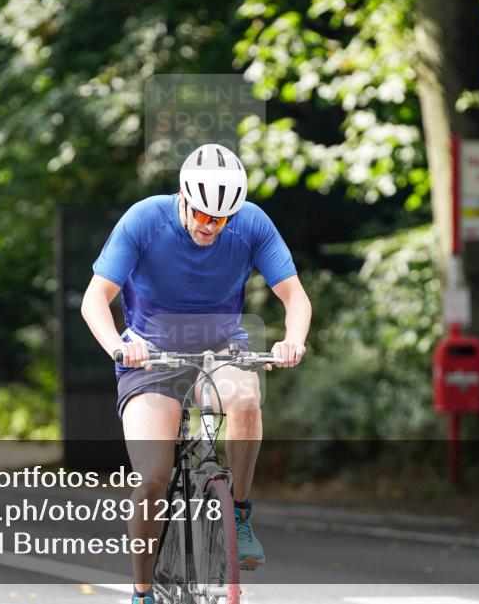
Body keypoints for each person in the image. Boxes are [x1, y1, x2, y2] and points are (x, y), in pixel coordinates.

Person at [80, 143, 312, 604]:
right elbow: (94, 300)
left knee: (246, 401)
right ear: (183, 196)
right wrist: (120, 346)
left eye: (221, 218)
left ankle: (240, 516)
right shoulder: (145, 220)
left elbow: (296, 298)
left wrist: (293, 339)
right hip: (150, 356)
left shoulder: (251, 224)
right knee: (152, 477)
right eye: (203, 214)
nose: (211, 225)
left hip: (221, 346)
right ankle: (142, 591)